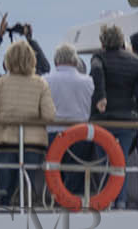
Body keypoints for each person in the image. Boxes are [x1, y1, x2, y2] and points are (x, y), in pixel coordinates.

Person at [90, 23, 138, 208]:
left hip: (103, 121)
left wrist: (101, 97)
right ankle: (121, 201)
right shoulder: (134, 61)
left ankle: (106, 199)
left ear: (102, 41)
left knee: (104, 162)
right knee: (120, 161)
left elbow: (97, 71)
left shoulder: (98, 57)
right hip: (127, 122)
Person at [0, 40, 57, 207]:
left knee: (6, 192)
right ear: (32, 59)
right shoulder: (41, 83)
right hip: (32, 144)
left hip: (4, 143)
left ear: (8, 59)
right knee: (26, 193)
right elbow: (49, 115)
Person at [45, 44, 94, 196]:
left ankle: (56, 202)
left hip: (53, 134)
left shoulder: (45, 81)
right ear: (75, 61)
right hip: (80, 135)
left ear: (55, 61)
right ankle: (74, 206)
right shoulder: (88, 82)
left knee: (55, 177)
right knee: (76, 178)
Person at [0, 16, 50, 89]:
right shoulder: (37, 82)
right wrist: (30, 39)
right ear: (29, 62)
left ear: (5, 65)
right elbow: (45, 68)